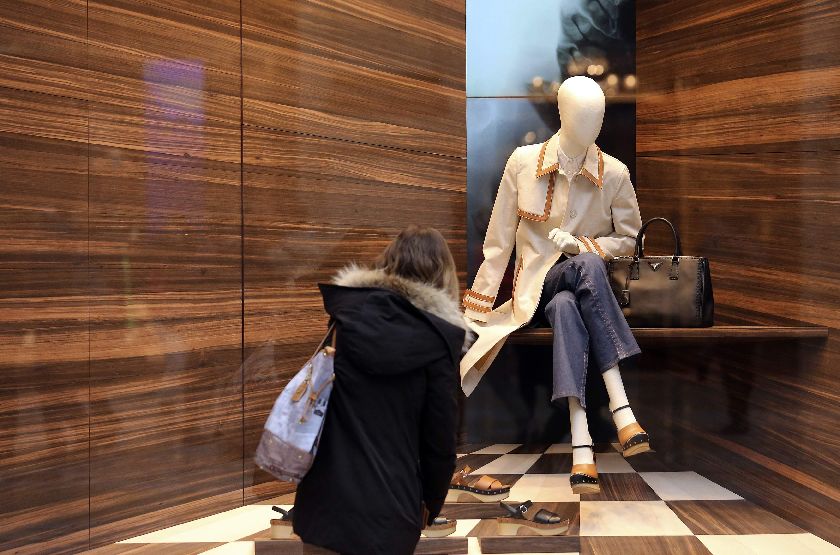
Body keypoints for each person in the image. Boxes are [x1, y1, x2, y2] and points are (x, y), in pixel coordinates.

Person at [292, 225, 474, 555]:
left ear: (387, 263)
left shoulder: (345, 319)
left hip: (322, 504)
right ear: (442, 275)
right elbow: (439, 444)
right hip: (390, 512)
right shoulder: (438, 342)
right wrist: (430, 505)